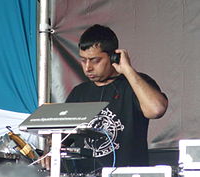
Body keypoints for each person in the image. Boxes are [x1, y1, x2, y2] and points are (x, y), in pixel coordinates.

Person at [63, 24, 168, 174]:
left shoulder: (136, 84)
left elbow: (156, 110)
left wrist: (128, 70)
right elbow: (62, 138)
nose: (88, 67)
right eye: (83, 60)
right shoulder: (79, 93)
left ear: (113, 56)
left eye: (95, 60)